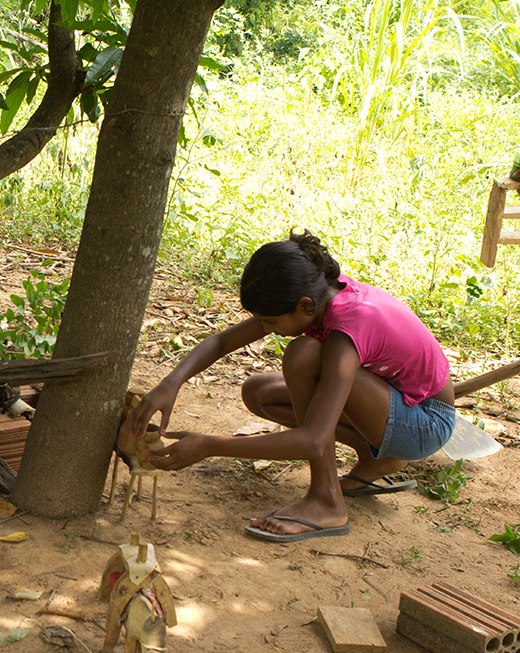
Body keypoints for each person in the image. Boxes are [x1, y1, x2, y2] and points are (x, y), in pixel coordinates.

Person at [131, 231, 455, 542]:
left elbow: (313, 440)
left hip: (425, 423)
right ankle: (377, 457)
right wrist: (171, 383)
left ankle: (326, 500)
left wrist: (210, 445)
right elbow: (220, 341)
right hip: (396, 403)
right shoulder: (322, 293)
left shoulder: (346, 331)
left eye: (272, 322)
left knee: (303, 354)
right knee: (260, 393)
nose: (268, 330)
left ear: (304, 306)